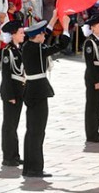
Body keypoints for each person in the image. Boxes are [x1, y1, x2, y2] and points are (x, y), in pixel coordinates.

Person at [21, 13, 71, 178]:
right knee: (38, 131)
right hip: (38, 90)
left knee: (31, 130)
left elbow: (46, 35)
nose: (44, 35)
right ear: (37, 36)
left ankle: (29, 167)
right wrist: (65, 27)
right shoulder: (38, 49)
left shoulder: (29, 46)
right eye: (42, 34)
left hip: (30, 90)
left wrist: (54, 18)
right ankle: (35, 168)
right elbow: (62, 44)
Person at [0, 20, 25, 167]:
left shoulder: (18, 49)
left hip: (19, 91)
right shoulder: (7, 51)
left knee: (14, 125)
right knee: (9, 126)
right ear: (13, 34)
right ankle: (8, 157)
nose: (23, 35)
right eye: (20, 33)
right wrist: (9, 96)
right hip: (11, 93)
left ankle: (15, 155)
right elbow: (6, 75)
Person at [82, 14, 99, 143]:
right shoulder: (90, 42)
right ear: (92, 27)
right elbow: (90, 64)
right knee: (92, 107)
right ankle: (91, 134)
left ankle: (96, 131)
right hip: (93, 78)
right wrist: (96, 81)